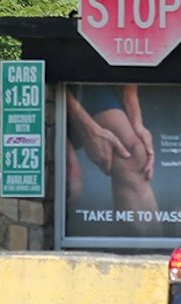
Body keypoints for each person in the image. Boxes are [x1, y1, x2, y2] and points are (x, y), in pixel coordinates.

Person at [64, 84, 157, 229]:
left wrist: (137, 124)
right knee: (71, 185)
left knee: (134, 154)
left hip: (86, 85)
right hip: (46, 92)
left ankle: (149, 248)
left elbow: (130, 69)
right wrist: (88, 128)